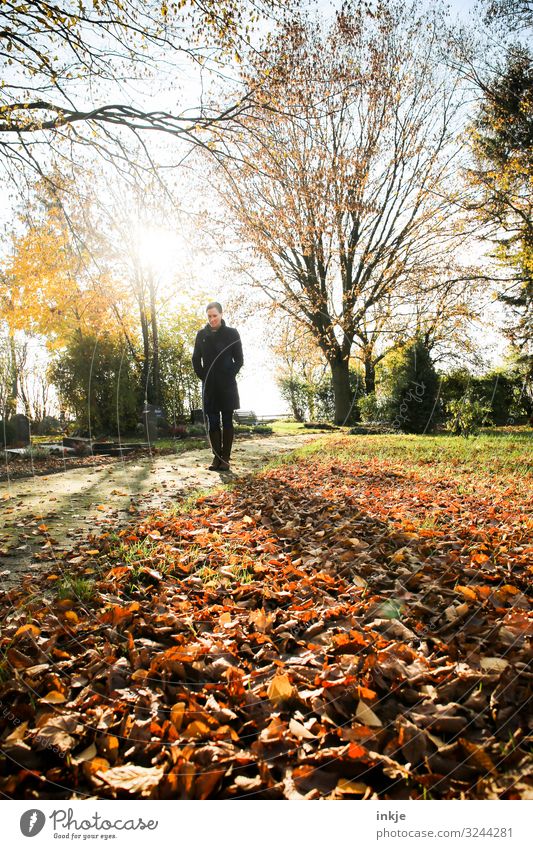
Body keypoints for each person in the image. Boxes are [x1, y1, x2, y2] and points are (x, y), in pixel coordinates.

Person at [192, 302, 243, 471]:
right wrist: (203, 377)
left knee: (227, 420)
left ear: (221, 314)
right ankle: (217, 457)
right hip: (210, 387)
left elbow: (239, 360)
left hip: (227, 386)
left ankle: (226, 459)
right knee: (212, 422)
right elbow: (195, 359)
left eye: (215, 315)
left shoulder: (232, 334)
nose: (212, 319)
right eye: (209, 316)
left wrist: (229, 374)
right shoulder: (201, 335)